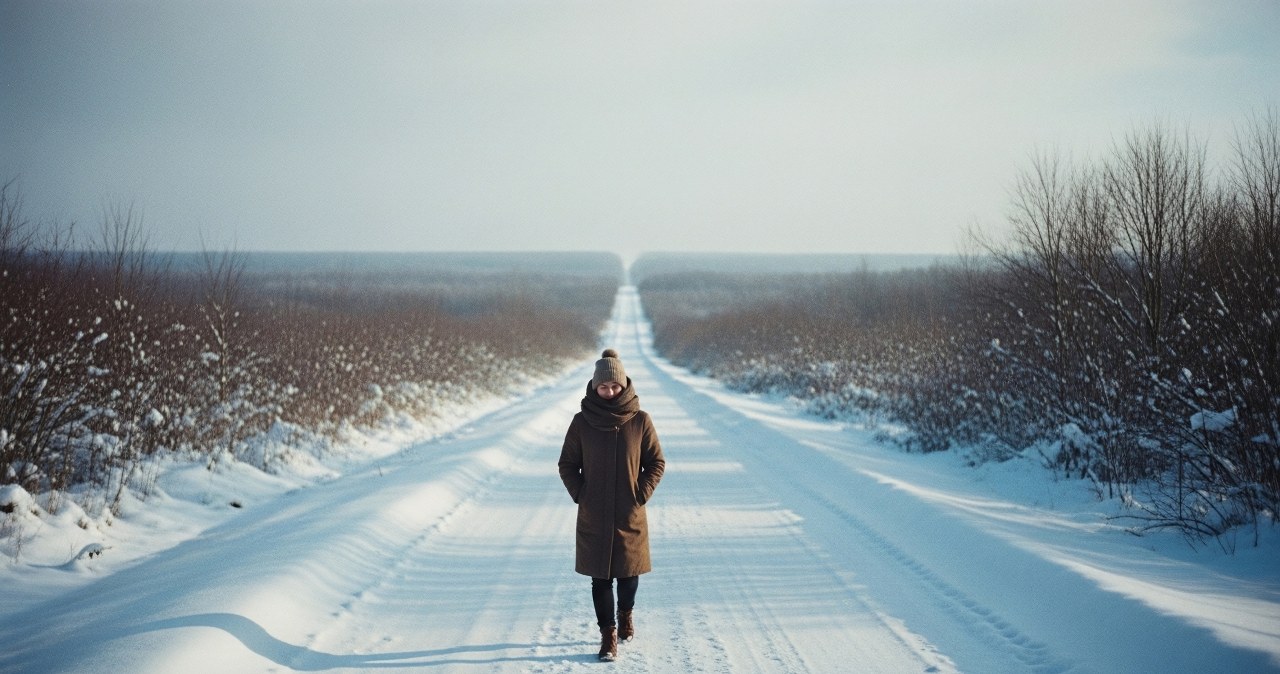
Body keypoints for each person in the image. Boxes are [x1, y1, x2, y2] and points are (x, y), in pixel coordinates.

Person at [558, 348, 666, 662]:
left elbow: (656, 462)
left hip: (629, 512)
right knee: (600, 578)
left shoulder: (640, 420)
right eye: (603, 387)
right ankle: (608, 635)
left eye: (614, 387)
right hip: (594, 514)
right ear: (594, 387)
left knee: (629, 575)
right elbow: (567, 464)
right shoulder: (581, 422)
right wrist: (582, 494)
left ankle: (626, 612)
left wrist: (641, 492)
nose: (608, 392)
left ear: (624, 386)